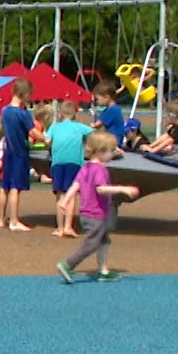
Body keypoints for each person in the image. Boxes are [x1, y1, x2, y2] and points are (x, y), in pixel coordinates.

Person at [55, 132, 142, 283]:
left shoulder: (86, 167)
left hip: (87, 213)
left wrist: (65, 200)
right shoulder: (100, 170)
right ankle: (68, 264)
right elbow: (100, 189)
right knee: (91, 244)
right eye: (111, 150)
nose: (113, 153)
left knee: (103, 241)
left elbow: (75, 185)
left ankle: (103, 270)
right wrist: (123, 189)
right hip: (95, 214)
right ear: (101, 151)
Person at [45, 100, 92, 238]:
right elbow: (94, 133)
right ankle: (68, 227)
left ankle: (59, 227)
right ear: (74, 114)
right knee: (70, 195)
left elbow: (47, 141)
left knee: (60, 195)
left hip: (58, 163)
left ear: (60, 114)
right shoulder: (79, 127)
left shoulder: (55, 127)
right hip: (74, 163)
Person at [0, 77, 36, 232]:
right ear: (24, 94)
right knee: (15, 187)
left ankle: (1, 219)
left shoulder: (4, 111)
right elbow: (32, 132)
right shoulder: (22, 113)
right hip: (19, 152)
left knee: (5, 186)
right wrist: (45, 138)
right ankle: (14, 220)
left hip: (8, 151)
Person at [91, 82, 127, 147]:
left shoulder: (112, 109)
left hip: (114, 140)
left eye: (98, 99)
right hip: (111, 139)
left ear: (107, 97)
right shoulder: (110, 109)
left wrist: (91, 125)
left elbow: (97, 125)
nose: (97, 101)